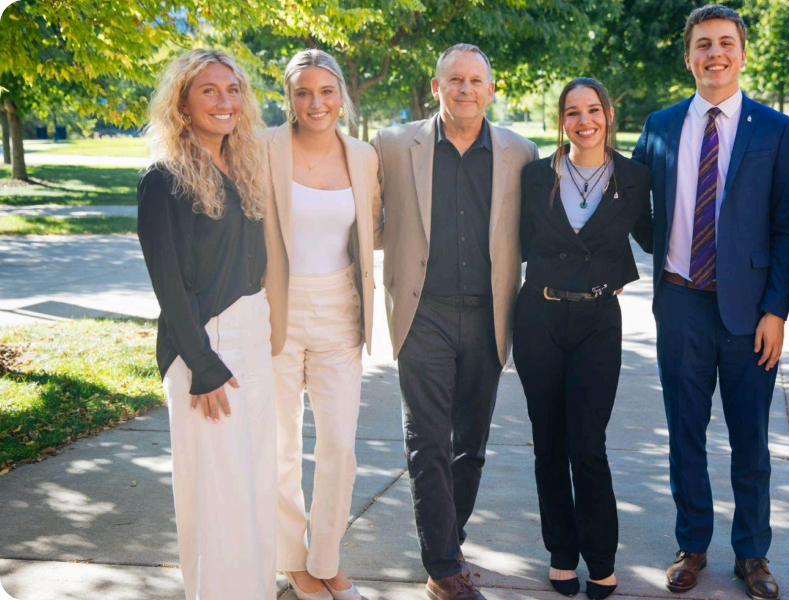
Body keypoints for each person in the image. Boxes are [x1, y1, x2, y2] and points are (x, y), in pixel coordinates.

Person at [630, 5, 789, 599]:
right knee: (685, 435)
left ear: (742, 53)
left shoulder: (775, 129)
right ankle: (692, 544)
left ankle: (753, 554)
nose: (715, 54)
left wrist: (776, 311)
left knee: (751, 440)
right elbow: (637, 210)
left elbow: (787, 227)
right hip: (680, 304)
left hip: (751, 315)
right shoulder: (659, 124)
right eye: (703, 44)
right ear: (688, 56)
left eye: (726, 43)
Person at [369, 43, 537, 600]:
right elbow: (365, 223)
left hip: (489, 315)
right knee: (428, 441)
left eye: (476, 81)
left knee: (472, 444)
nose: (466, 89)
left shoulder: (521, 152)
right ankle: (443, 568)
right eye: (454, 80)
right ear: (436, 87)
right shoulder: (393, 145)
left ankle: (450, 540)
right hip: (423, 314)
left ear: (492, 89)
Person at [137, 49, 276, 600]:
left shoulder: (241, 167)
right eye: (210, 91)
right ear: (182, 103)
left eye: (233, 90)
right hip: (205, 349)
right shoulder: (163, 179)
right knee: (216, 495)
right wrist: (203, 365)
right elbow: (168, 286)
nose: (225, 102)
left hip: (253, 336)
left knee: (254, 482)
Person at [514, 77, 653, 600]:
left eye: (592, 109)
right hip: (539, 318)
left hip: (598, 321)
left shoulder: (636, 177)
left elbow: (651, 235)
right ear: (561, 120)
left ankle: (601, 558)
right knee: (548, 444)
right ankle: (560, 554)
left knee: (587, 447)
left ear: (608, 113)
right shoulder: (534, 177)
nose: (583, 121)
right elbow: (516, 240)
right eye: (572, 112)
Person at [261, 49, 382, 600]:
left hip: (340, 309)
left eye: (326, 91)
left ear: (341, 97)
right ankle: (293, 561)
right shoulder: (263, 148)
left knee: (338, 443)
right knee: (281, 445)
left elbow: (373, 230)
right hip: (272, 311)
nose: (316, 102)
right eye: (303, 92)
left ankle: (327, 558)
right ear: (289, 96)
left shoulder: (363, 155)